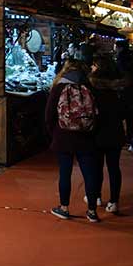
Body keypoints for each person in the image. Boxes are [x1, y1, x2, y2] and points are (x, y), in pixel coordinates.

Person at [46, 44, 102, 222]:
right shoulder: (89, 87)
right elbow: (97, 112)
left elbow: (49, 115)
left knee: (65, 173)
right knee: (89, 173)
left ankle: (64, 207)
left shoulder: (59, 88)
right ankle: (92, 211)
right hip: (85, 136)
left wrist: (54, 132)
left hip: (63, 136)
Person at [88, 53, 128, 214]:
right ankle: (114, 201)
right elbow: (125, 111)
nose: (91, 67)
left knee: (96, 166)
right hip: (115, 131)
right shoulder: (119, 87)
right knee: (114, 167)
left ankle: (96, 196)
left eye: (94, 64)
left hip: (97, 131)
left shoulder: (92, 86)